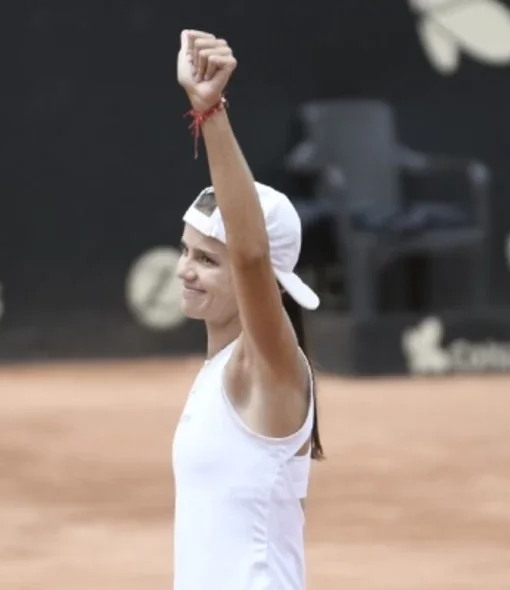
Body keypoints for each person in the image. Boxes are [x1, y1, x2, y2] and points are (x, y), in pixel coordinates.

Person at [171, 29, 324, 590]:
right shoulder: (221, 374)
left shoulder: (266, 369)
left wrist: (209, 111)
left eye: (209, 259)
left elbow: (253, 254)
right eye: (185, 251)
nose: (187, 269)